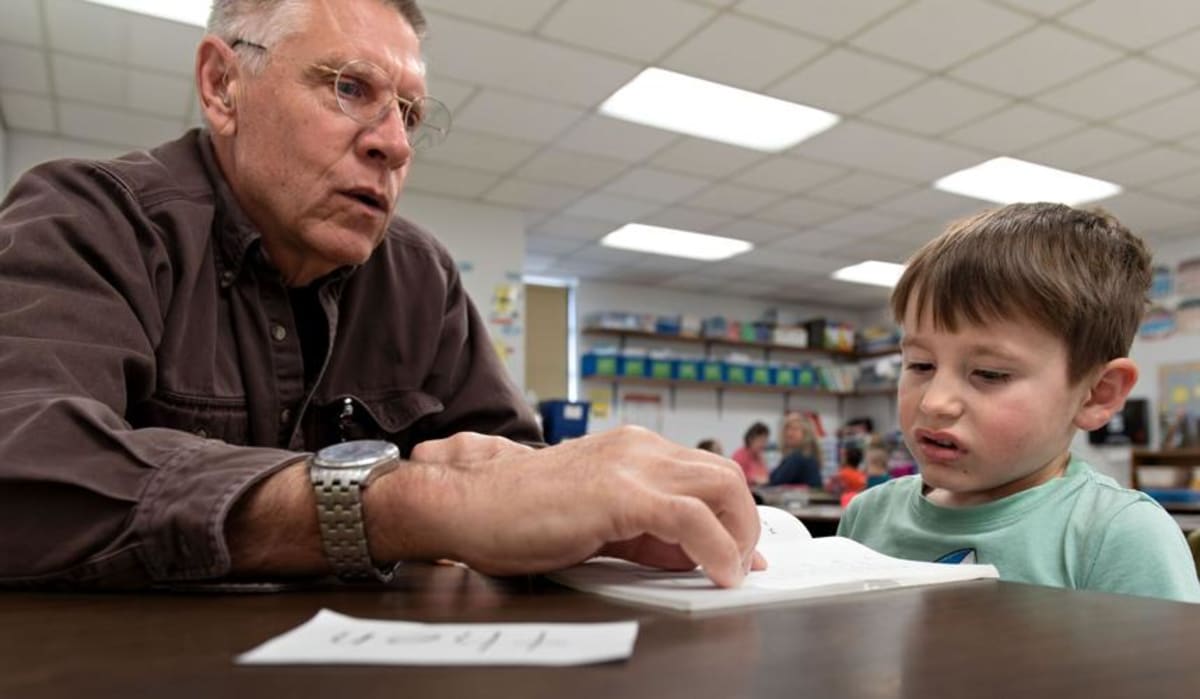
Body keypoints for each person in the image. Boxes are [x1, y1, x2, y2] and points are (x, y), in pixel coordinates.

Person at [0, 0, 761, 590]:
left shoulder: (421, 278)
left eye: (409, 114)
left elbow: (515, 472)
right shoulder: (88, 219)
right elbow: (24, 468)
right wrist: (408, 503)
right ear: (222, 84)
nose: (394, 144)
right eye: (349, 88)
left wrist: (588, 514)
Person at [838, 203, 1200, 603]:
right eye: (921, 364)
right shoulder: (867, 515)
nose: (935, 402)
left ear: (1098, 393)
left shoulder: (1117, 534)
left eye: (990, 373)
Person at [769, 412, 824, 488]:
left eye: (794, 429)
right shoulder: (808, 453)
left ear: (806, 433)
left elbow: (776, 481)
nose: (789, 433)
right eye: (787, 429)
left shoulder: (798, 457)